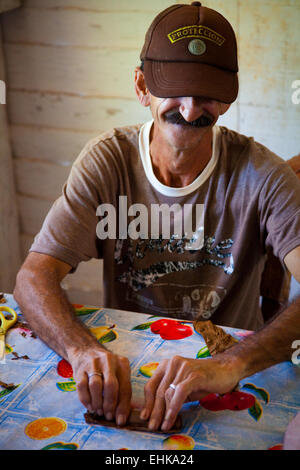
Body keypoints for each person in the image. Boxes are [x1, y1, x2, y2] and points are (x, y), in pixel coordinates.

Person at [13, 1, 300, 433]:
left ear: (226, 97)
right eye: (175, 90)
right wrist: (81, 351)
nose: (189, 110)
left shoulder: (263, 174)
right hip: (124, 367)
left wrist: (230, 364)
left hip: (230, 376)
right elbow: (32, 277)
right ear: (142, 85)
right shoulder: (108, 160)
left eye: (206, 94)